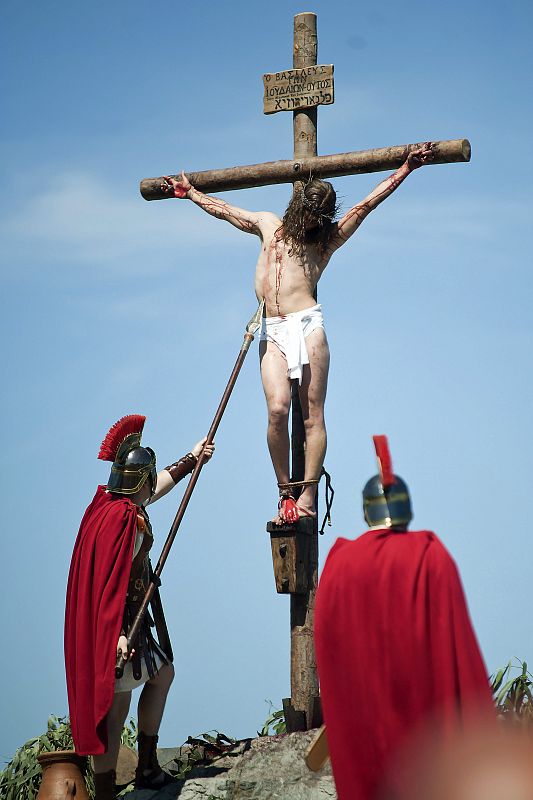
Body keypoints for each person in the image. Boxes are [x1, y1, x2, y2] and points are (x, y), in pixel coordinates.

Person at [162, 145, 435, 524]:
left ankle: (307, 494)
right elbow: (225, 212)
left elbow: (366, 205)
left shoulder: (324, 242)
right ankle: (284, 492)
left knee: (312, 416)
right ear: (298, 208)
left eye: (317, 217)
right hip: (271, 328)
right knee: (277, 410)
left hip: (307, 324)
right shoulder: (269, 225)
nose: (310, 221)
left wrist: (405, 169)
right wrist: (191, 193)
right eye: (308, 214)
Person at [313, 435, 494, 800]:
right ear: (407, 510)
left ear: (366, 512)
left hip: (363, 733)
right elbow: (459, 650)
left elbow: (330, 649)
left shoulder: (340, 564)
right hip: (425, 734)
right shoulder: (430, 555)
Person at [64, 414, 214, 800]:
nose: (150, 485)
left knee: (143, 687)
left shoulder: (107, 505)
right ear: (139, 481)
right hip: (118, 625)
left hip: (121, 622)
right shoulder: (124, 522)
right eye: (148, 478)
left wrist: (191, 459)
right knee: (120, 704)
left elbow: (153, 489)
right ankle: (123, 781)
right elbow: (106, 584)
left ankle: (132, 774)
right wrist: (114, 635)